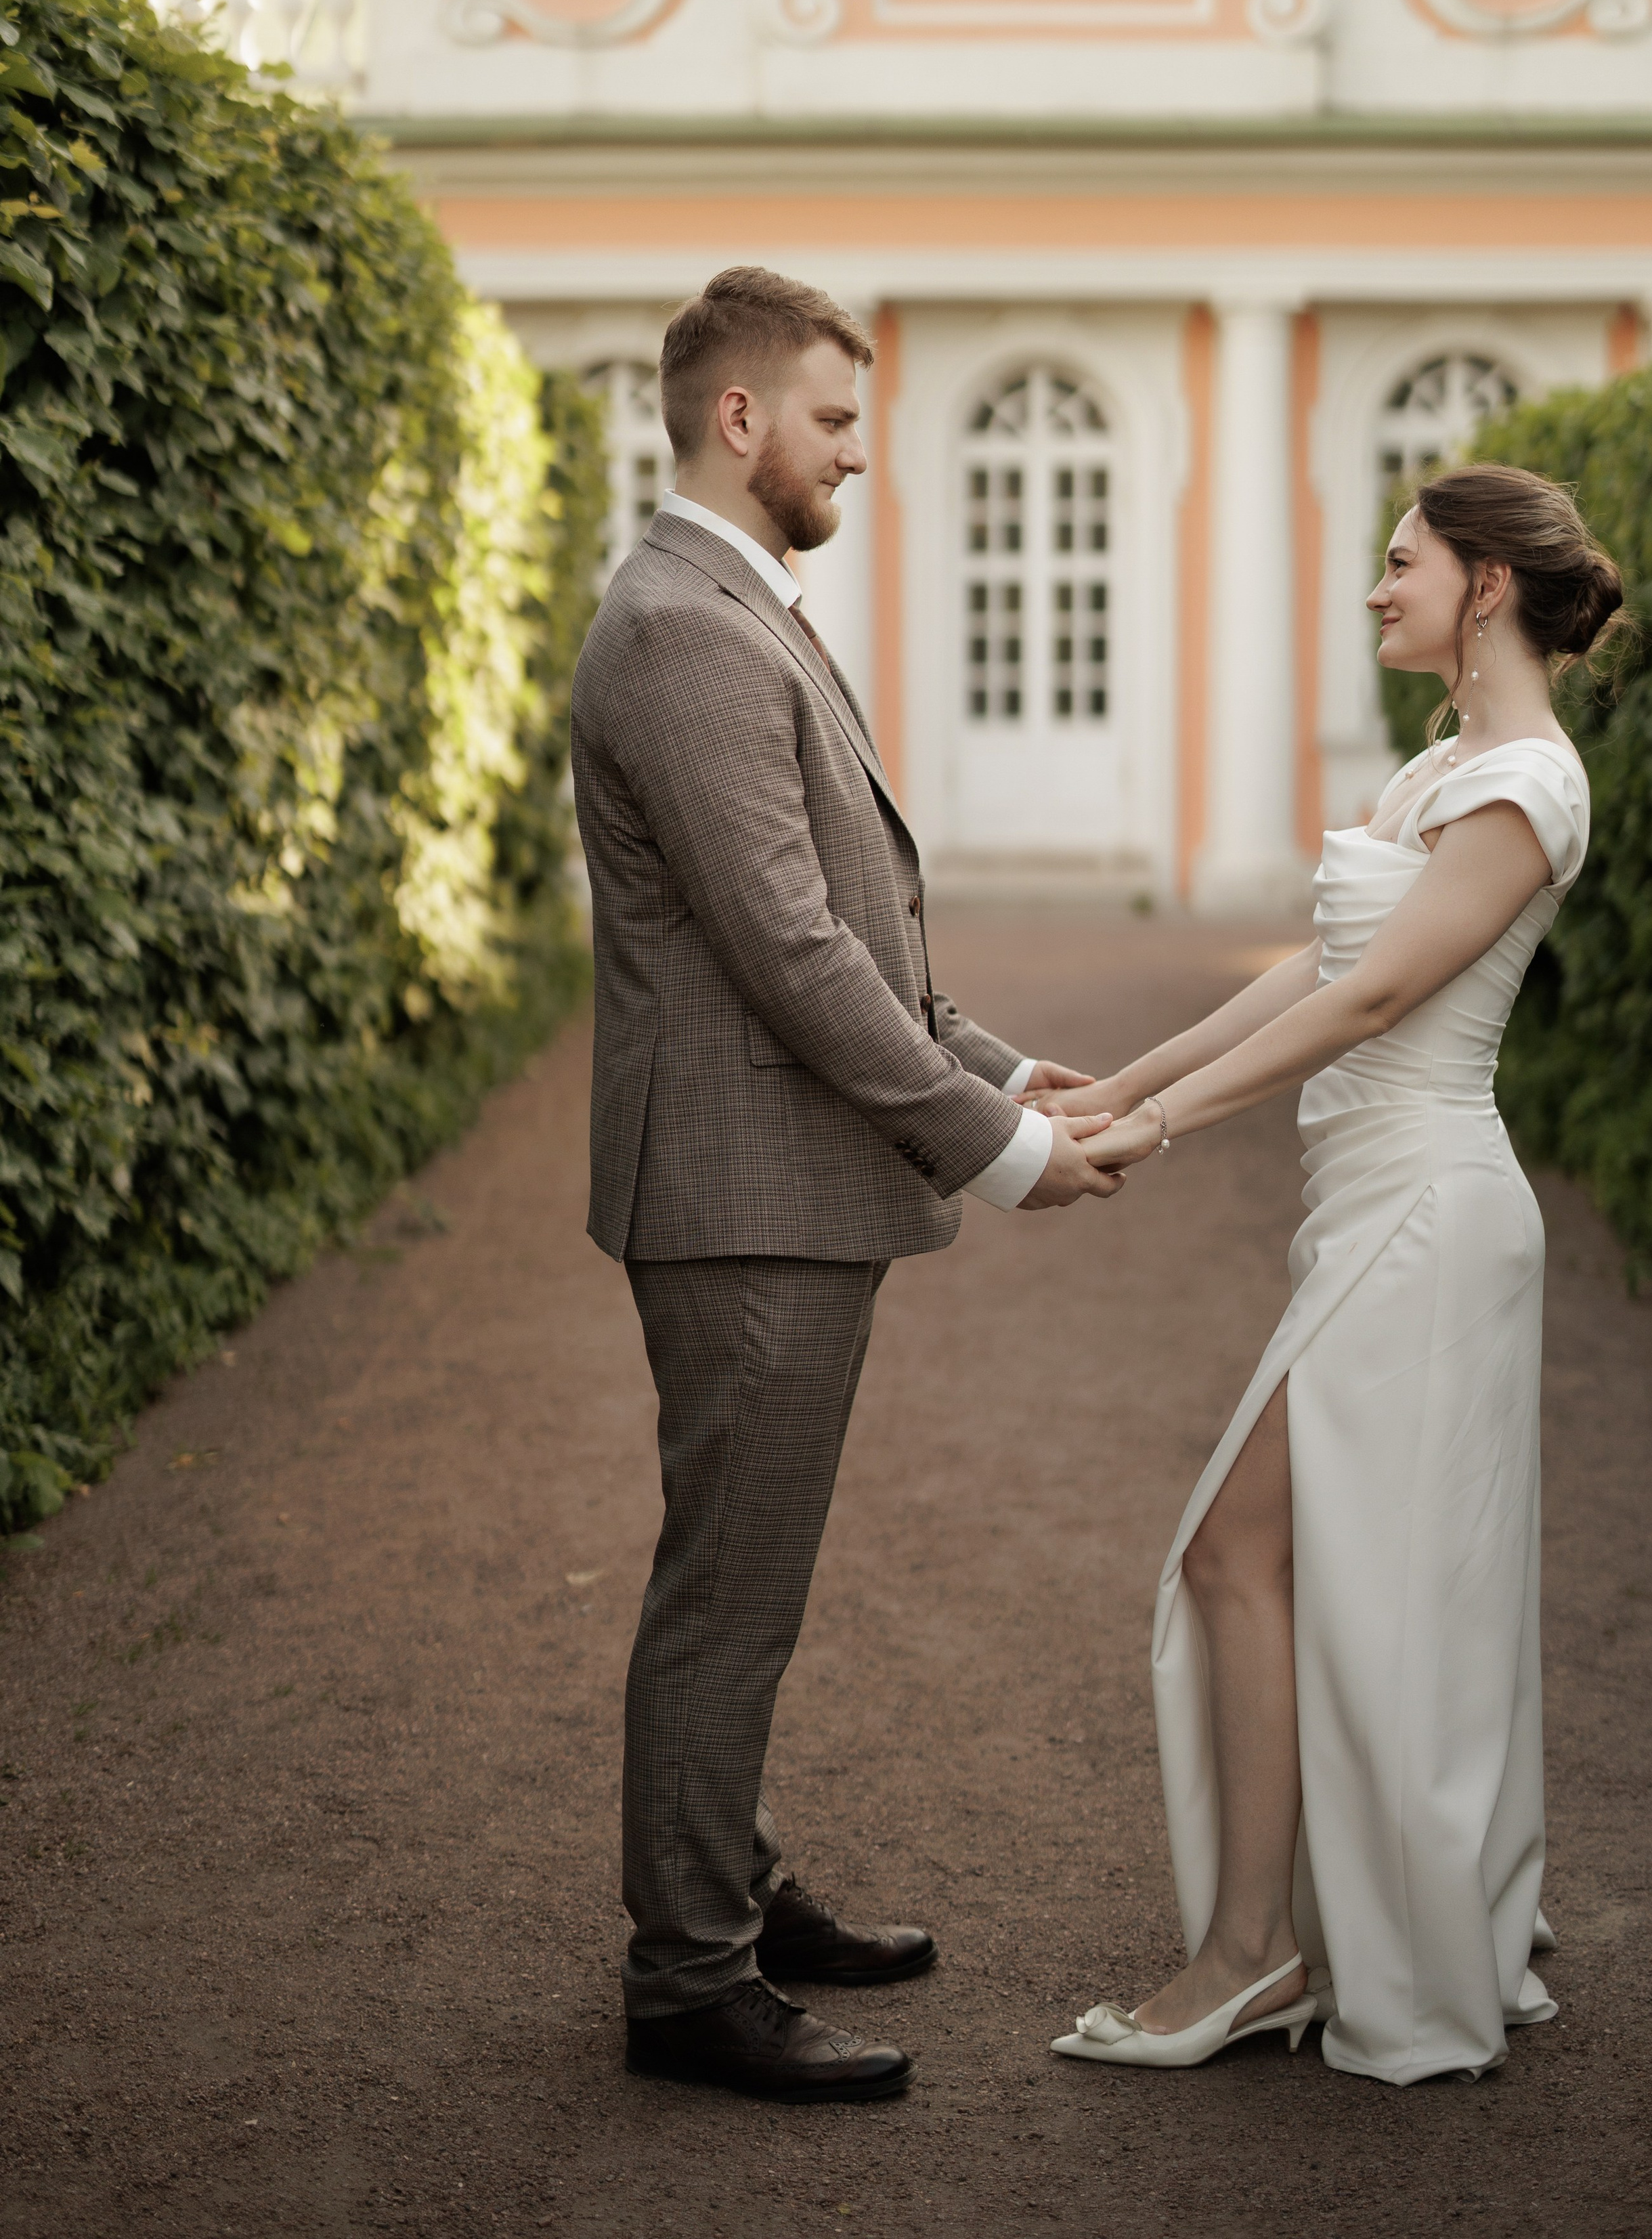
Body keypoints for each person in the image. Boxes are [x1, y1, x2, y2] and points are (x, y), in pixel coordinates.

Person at [569, 267, 1121, 2104]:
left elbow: (847, 929)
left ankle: (723, 1883)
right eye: (829, 418)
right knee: (727, 1594)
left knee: (749, 1582)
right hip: (743, 1201)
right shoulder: (678, 629)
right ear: (741, 421)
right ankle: (692, 1980)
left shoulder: (736, 609)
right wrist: (1005, 1148)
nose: (859, 451)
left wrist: (985, 1058)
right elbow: (795, 953)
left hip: (777, 1185)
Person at [1034, 464, 1626, 2086]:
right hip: (1365, 1204)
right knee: (1308, 1569)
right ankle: (1287, 1939)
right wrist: (1110, 1084)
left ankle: (1250, 1956)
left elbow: (1370, 1015)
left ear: (1484, 586)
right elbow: (1314, 966)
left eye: (1399, 562)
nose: (1375, 589)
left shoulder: (1522, 788)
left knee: (1236, 1550)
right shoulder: (1438, 766)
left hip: (1429, 1214)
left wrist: (1150, 1130)